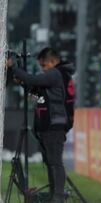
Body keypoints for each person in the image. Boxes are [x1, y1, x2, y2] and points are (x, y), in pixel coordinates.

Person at [7, 47, 75, 203]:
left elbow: (33, 80)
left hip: (54, 126)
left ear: (52, 62)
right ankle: (54, 194)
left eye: (44, 66)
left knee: (55, 162)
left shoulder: (55, 74)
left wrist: (15, 68)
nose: (43, 70)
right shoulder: (54, 76)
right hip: (48, 126)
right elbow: (37, 91)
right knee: (51, 162)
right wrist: (23, 82)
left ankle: (58, 197)